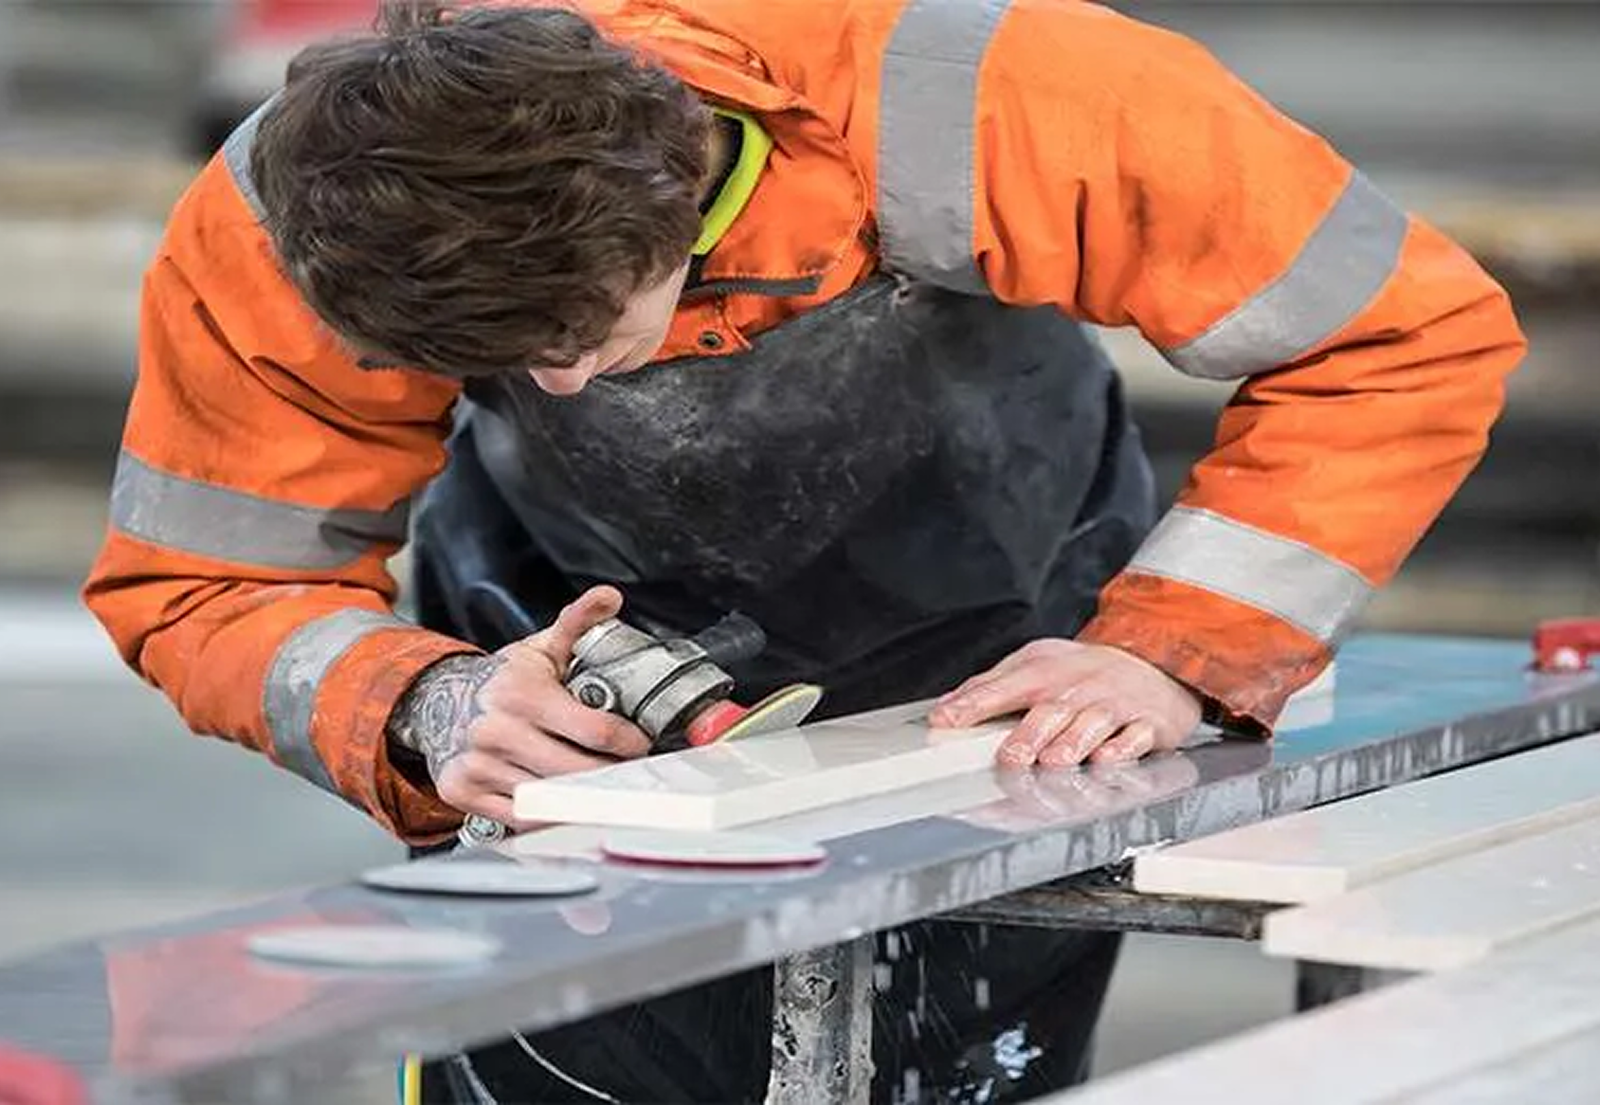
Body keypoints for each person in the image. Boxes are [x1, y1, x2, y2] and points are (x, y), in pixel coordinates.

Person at [83, 0, 1525, 1099]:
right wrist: (421, 702)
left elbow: (1400, 332)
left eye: (582, 334)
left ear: (681, 193)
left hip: (1006, 656)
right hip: (564, 661)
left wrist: (1173, 646)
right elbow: (211, 579)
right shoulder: (291, 218)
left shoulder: (988, 96)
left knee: (954, 1065)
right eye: (501, 367)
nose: (567, 387)